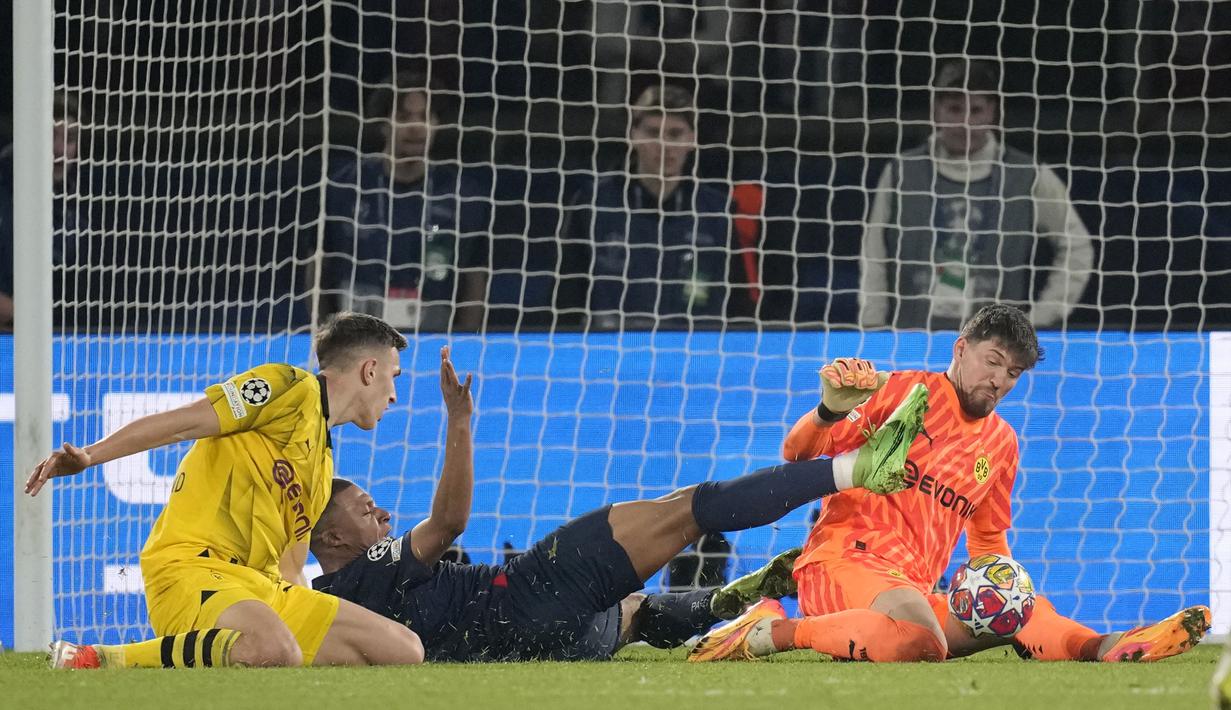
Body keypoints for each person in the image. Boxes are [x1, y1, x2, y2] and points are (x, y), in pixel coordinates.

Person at [309, 348, 932, 662]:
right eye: (366, 511)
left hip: (541, 644)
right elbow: (447, 524)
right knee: (692, 507)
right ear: (331, 540)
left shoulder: (333, 612)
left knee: (632, 614)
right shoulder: (369, 570)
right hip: (524, 589)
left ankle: (721, 601)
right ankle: (854, 468)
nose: (384, 515)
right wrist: (460, 423)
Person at [689, 304, 1210, 663]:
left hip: (908, 588)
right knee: (920, 640)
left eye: (1013, 373)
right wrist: (828, 411)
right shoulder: (902, 392)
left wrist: (1000, 585)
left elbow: (987, 545)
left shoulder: (1001, 444)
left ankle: (1106, 647)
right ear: (961, 349)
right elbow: (797, 457)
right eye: (993, 362)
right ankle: (770, 630)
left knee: (1015, 612)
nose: (1000, 381)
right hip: (842, 563)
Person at [27, 312, 425, 668]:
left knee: (404, 649)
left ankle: (264, 651)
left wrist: (307, 613)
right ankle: (99, 659)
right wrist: (90, 456)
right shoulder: (288, 387)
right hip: (191, 568)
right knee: (275, 648)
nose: (393, 394)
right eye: (394, 377)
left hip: (260, 587)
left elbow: (290, 567)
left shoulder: (321, 469)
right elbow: (183, 422)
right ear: (370, 370)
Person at [859, 59, 1096, 331]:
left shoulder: (1027, 176)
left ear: (993, 112)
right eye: (954, 109)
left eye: (977, 110)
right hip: (913, 339)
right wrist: (873, 325)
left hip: (996, 351)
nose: (965, 123)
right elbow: (874, 252)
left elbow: (1077, 247)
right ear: (935, 110)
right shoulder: (902, 173)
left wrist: (1039, 318)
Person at [556, 83, 755, 330]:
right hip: (611, 356)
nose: (663, 145)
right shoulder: (594, 203)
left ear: (692, 139)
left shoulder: (718, 211)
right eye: (652, 132)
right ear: (633, 135)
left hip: (697, 356)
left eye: (674, 134)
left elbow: (739, 304)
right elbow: (565, 298)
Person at [320, 70, 489, 332]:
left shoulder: (463, 194)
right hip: (355, 335)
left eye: (424, 117)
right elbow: (318, 267)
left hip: (434, 335)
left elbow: (474, 277)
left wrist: (467, 341)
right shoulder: (344, 185)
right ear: (384, 123)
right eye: (403, 117)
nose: (415, 126)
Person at [0, 94, 85, 331]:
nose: (59, 149)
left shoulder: (76, 207)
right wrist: (22, 316)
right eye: (51, 136)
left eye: (69, 139)